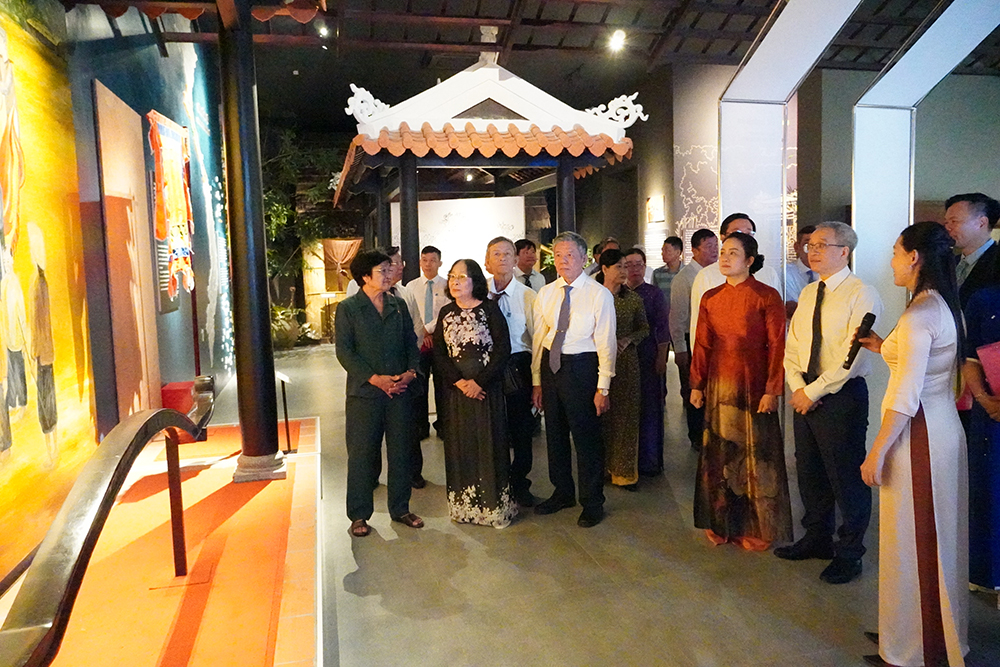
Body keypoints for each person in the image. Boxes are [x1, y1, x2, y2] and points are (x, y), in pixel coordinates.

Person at [857, 221, 968, 667]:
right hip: (938, 428)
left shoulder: (921, 314)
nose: (891, 262)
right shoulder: (939, 304)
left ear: (914, 257)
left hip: (919, 436)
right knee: (920, 539)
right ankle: (905, 632)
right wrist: (883, 346)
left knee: (917, 541)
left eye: (895, 253)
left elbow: (906, 394)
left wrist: (877, 450)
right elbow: (924, 363)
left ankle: (919, 648)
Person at [778, 221, 883, 585]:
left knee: (845, 474)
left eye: (823, 245)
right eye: (811, 245)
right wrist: (798, 387)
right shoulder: (809, 293)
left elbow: (852, 356)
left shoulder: (862, 293)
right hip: (804, 392)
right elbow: (793, 346)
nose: (814, 251)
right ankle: (817, 536)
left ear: (844, 251)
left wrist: (815, 391)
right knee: (808, 469)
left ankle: (850, 552)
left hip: (841, 396)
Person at [689, 232, 791, 550]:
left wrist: (772, 390)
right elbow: (702, 345)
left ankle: (757, 526)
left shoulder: (767, 296)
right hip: (719, 383)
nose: (724, 257)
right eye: (723, 252)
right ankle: (721, 521)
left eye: (733, 253)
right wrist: (696, 384)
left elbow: (778, 346)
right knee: (721, 453)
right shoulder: (710, 297)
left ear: (749, 260)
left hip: (755, 383)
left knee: (756, 455)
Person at [335, 250, 424, 538]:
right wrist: (375, 379)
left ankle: (401, 508)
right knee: (362, 454)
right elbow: (344, 352)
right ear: (365, 276)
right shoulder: (348, 308)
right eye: (382, 271)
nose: (389, 274)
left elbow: (411, 342)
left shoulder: (398, 304)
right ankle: (359, 514)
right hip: (364, 394)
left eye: (390, 269)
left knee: (401, 451)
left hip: (399, 391)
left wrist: (411, 372)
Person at [532, 231, 616, 528]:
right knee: (554, 435)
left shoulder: (598, 294)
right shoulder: (546, 292)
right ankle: (562, 492)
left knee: (586, 437)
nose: (563, 261)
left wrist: (603, 387)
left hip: (582, 367)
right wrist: (537, 380)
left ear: (584, 258)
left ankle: (592, 501)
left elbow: (606, 342)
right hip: (551, 366)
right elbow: (539, 337)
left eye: (569, 255)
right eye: (558, 255)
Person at [433, 259, 517, 528]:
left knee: (489, 444)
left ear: (475, 281)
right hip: (456, 393)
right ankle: (464, 508)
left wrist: (478, 382)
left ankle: (494, 509)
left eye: (462, 277)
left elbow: (503, 350)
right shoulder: (446, 312)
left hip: (486, 390)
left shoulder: (490, 309)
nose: (455, 282)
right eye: (452, 277)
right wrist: (459, 382)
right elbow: (439, 354)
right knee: (460, 446)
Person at [485, 236, 538, 507]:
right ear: (487, 261)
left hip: (517, 366)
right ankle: (493, 484)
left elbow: (538, 341)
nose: (502, 258)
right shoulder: (477, 292)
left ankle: (519, 483)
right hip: (485, 370)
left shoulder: (528, 296)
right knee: (490, 429)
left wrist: (538, 382)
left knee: (521, 430)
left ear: (516, 260)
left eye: (507, 253)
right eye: (496, 254)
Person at [689, 213, 782, 351]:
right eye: (737, 232)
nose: (743, 237)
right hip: (719, 356)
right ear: (722, 237)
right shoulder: (706, 275)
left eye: (749, 233)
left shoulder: (769, 274)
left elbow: (777, 331)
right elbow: (698, 330)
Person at [596, 249, 648, 489]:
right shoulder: (593, 297)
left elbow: (644, 328)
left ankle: (624, 472)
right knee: (600, 416)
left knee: (626, 416)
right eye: (619, 266)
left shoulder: (633, 299)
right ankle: (601, 468)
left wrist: (627, 340)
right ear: (604, 269)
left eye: (625, 266)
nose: (624, 271)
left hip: (626, 362)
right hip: (597, 362)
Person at [960, 285, 1000, 591]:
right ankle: (985, 574)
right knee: (987, 491)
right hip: (989, 414)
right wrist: (985, 400)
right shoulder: (984, 300)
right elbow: (969, 358)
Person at [670, 229, 718, 450]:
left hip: (713, 340)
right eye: (708, 247)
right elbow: (678, 317)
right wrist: (680, 348)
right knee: (694, 388)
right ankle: (696, 436)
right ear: (695, 250)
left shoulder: (718, 273)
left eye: (716, 246)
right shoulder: (685, 278)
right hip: (692, 338)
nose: (714, 251)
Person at [624, 247, 670, 476]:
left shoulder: (654, 294)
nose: (634, 269)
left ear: (645, 267)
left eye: (638, 264)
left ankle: (649, 461)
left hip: (648, 355)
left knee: (649, 409)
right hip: (623, 358)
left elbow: (662, 328)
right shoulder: (616, 294)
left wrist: (662, 358)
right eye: (629, 265)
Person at [405, 246, 449, 481]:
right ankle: (421, 426)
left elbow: (446, 313)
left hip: (441, 341)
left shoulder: (447, 285)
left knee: (443, 386)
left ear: (440, 262)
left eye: (433, 260)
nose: (428, 264)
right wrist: (422, 333)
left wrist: (430, 331)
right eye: (424, 260)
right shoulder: (411, 286)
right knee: (419, 385)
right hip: (419, 343)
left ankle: (443, 425)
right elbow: (411, 314)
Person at [944, 192, 1000, 310]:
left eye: (954, 221)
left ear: (981, 223)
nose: (947, 228)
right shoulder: (949, 263)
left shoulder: (996, 261)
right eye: (946, 222)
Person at [784, 224, 817, 318]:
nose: (813, 251)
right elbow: (791, 308)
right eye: (807, 246)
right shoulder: (786, 273)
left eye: (819, 246)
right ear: (797, 247)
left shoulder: (830, 271)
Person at [651, 236, 683, 314]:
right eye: (663, 250)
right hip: (663, 315)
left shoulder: (686, 272)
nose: (663, 253)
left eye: (667, 250)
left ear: (678, 253)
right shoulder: (657, 273)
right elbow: (654, 296)